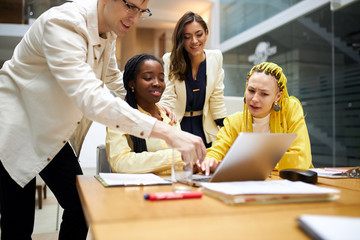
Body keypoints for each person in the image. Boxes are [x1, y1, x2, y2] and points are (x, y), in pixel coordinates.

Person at [0, 0, 206, 239]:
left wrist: (152, 106)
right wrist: (167, 132)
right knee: (19, 223)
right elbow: (89, 95)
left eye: (141, 10)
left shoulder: (107, 33)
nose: (135, 17)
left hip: (51, 134)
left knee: (80, 206)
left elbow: (114, 81)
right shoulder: (63, 24)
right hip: (16, 127)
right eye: (130, 6)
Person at [198, 62, 313, 175]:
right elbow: (216, 151)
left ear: (278, 96)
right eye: (251, 91)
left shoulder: (290, 109)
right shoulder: (233, 122)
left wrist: (252, 163)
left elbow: (300, 159)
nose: (254, 99)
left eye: (264, 94)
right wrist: (210, 160)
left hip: (291, 184)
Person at [106, 53, 182, 174]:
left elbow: (183, 165)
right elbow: (121, 163)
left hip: (172, 189)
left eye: (161, 79)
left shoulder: (169, 117)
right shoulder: (119, 118)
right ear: (132, 84)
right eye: (148, 78)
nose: (157, 83)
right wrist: (176, 157)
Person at [160, 11, 227, 148]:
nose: (195, 41)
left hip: (204, 127)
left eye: (199, 34)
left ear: (206, 33)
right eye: (187, 37)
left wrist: (226, 129)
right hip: (179, 126)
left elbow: (216, 98)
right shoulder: (170, 60)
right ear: (181, 40)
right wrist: (162, 122)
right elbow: (168, 97)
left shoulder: (216, 58)